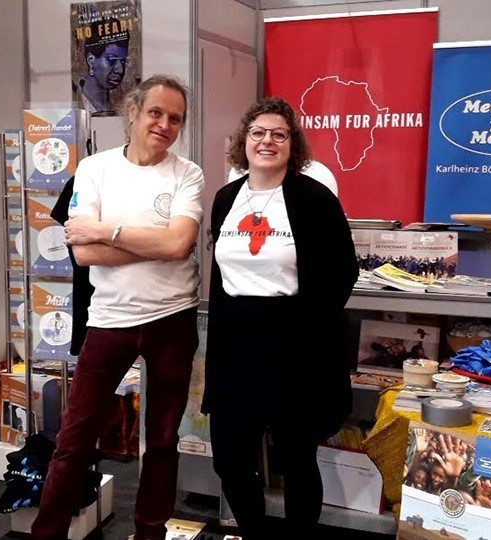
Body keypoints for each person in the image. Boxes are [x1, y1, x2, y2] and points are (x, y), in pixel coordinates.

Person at [30, 75, 203, 540]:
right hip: (110, 321)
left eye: (175, 118)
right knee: (74, 439)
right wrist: (156, 243)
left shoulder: (188, 174)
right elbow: (84, 253)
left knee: (163, 440)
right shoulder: (94, 169)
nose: (164, 125)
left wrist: (108, 231)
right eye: (155, 113)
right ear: (133, 113)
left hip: (173, 319)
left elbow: (179, 244)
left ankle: (150, 533)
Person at [203, 97, 358, 539]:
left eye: (279, 134)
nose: (267, 141)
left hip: (295, 346)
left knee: (296, 458)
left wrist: (310, 325)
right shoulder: (226, 198)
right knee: (230, 458)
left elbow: (344, 271)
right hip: (235, 344)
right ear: (244, 141)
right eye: (258, 133)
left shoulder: (315, 199)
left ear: (293, 144)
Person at [77, 18, 130, 115]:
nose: (120, 70)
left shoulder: (118, 107)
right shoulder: (74, 106)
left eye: (123, 61)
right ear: (91, 61)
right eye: (111, 60)